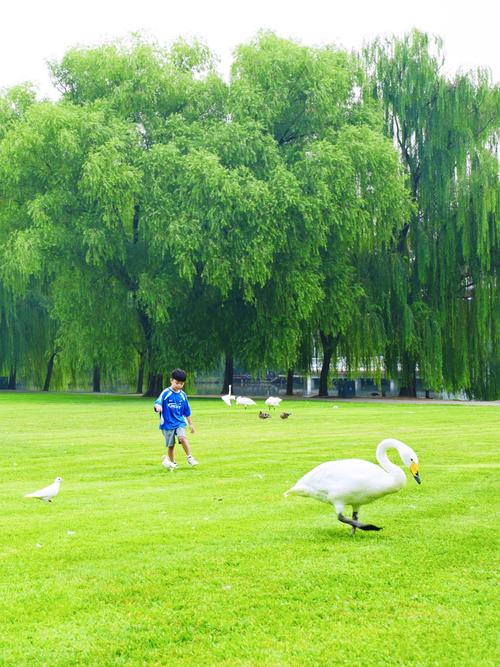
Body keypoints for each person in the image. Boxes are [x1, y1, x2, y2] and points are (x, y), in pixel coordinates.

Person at [154, 368, 198, 469]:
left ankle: (189, 457)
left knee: (182, 437)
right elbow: (157, 402)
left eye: (181, 384)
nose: (179, 385)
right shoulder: (166, 393)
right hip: (167, 424)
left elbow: (187, 411)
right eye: (177, 383)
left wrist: (191, 424)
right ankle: (173, 462)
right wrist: (158, 407)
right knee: (171, 445)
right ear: (171, 380)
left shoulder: (183, 395)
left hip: (179, 422)